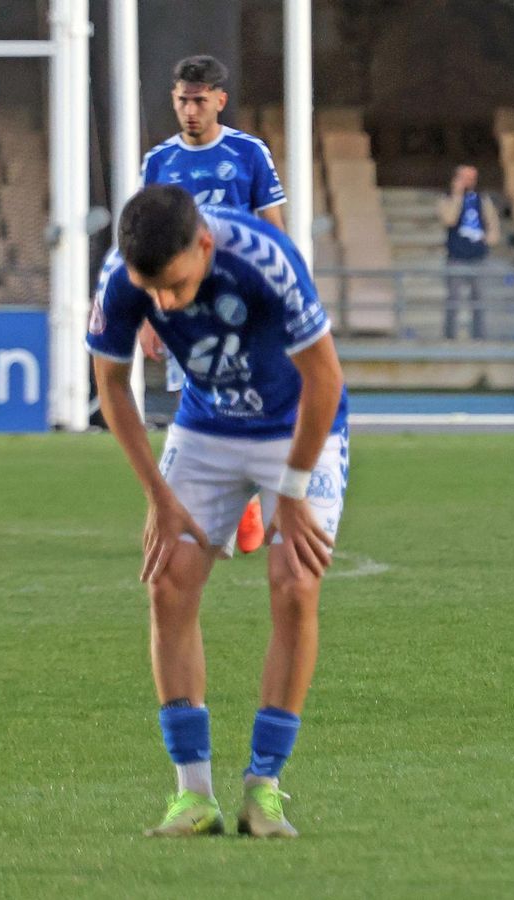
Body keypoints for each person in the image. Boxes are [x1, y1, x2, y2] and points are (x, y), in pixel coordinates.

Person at [87, 185, 349, 838]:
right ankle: (193, 796)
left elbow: (325, 379)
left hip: (297, 427)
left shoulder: (264, 259)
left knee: (296, 584)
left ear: (204, 245)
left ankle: (264, 789)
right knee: (168, 580)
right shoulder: (122, 276)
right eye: (152, 293)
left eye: (175, 286)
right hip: (206, 427)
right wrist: (157, 494)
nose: (165, 305)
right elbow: (111, 384)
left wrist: (292, 491)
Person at [139, 54, 289, 553]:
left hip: (242, 306)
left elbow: (274, 232)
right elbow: (147, 244)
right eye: (183, 100)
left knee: (246, 399)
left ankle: (240, 503)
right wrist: (149, 314)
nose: (190, 110)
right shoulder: (159, 162)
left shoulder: (249, 153)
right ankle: (220, 511)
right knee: (199, 402)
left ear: (220, 100)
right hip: (185, 309)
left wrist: (279, 297)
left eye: (199, 101)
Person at [437, 165, 501, 340]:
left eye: (472, 178)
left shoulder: (482, 199)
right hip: (456, 257)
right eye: (465, 178)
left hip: (478, 257)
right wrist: (458, 196)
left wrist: (489, 239)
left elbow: (493, 223)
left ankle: (479, 338)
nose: (469, 182)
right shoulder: (446, 199)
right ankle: (449, 338)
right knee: (453, 300)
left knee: (479, 301)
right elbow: (449, 219)